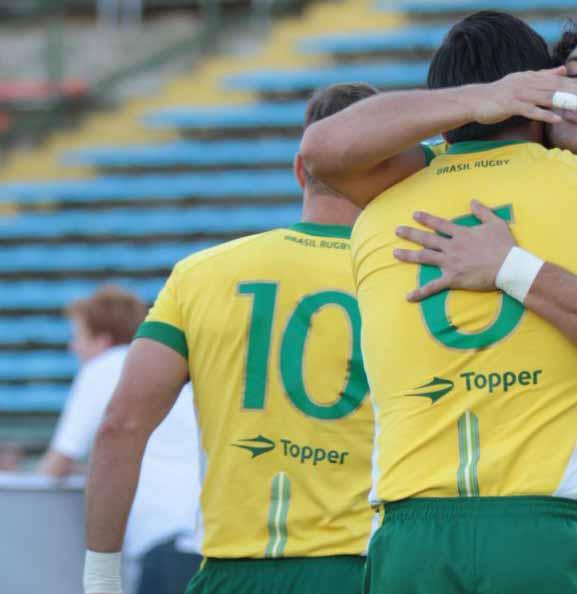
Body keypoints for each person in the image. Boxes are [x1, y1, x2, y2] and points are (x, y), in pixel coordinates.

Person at [301, 10, 577, 594]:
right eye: (572, 73)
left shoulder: (397, 193)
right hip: (551, 527)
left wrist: (516, 271)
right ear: (538, 92)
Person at [82, 84, 378, 594]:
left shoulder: (200, 273)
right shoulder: (407, 277)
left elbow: (120, 425)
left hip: (229, 570)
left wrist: (101, 576)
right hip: (362, 565)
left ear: (299, 169)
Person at [35, 284, 199, 594]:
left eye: (79, 337)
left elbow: (56, 464)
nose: (74, 348)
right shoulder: (173, 370)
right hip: (207, 537)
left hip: (161, 542)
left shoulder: (103, 368)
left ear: (103, 339)